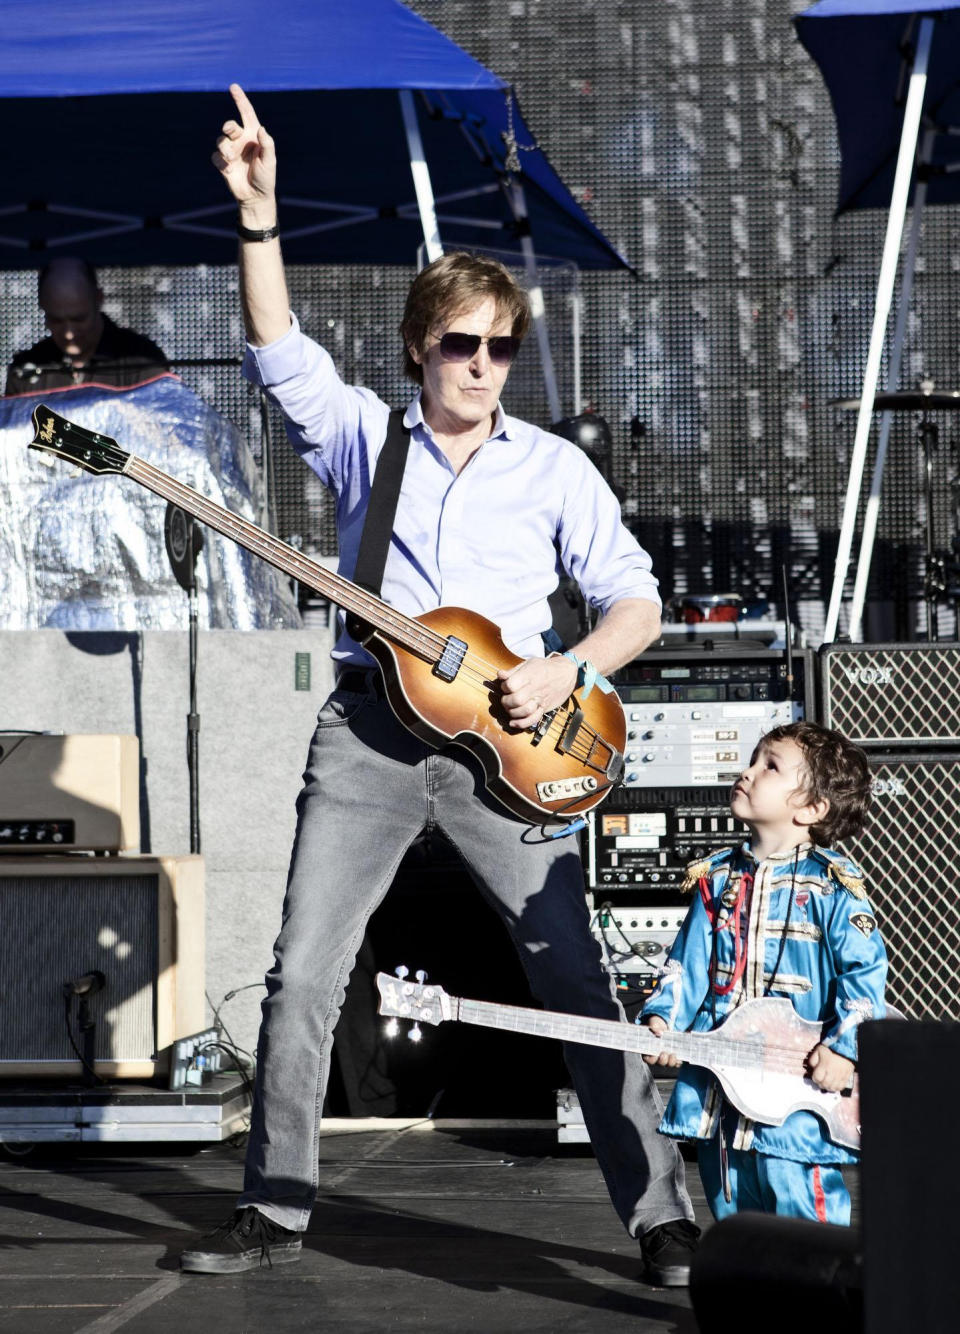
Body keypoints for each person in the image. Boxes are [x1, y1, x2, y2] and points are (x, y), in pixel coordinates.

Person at [178, 83, 699, 1284]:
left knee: (573, 972)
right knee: (305, 967)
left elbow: (637, 604)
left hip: (515, 751)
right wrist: (259, 213)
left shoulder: (555, 468)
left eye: (501, 345)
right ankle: (276, 1207)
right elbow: (275, 348)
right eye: (461, 343)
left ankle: (662, 1219)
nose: (482, 364)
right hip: (370, 732)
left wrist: (565, 666)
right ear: (420, 345)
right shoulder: (369, 437)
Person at [641, 720, 888, 1225]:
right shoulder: (718, 879)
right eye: (753, 760)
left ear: (812, 809)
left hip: (798, 1095)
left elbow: (865, 973)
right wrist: (665, 1021)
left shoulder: (833, 885)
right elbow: (685, 967)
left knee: (803, 1215)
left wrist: (844, 1048)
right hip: (721, 1091)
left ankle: (822, 1301)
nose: (748, 772)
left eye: (769, 766)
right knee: (734, 1213)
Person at [5, 257, 168, 394]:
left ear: (99, 299)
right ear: (42, 306)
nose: (69, 333)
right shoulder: (26, 369)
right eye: (56, 320)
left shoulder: (141, 358)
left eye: (79, 319)